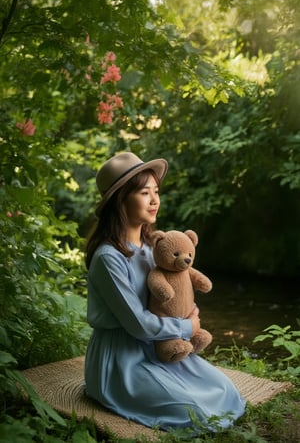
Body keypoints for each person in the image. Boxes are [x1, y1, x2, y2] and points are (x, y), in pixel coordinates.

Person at [84, 151, 246, 433]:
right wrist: (187, 326)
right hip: (121, 360)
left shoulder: (151, 249)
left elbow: (175, 291)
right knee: (191, 410)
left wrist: (188, 312)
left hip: (158, 347)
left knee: (223, 388)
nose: (155, 200)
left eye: (156, 191)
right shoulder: (109, 258)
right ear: (120, 200)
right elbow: (137, 323)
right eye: (144, 193)